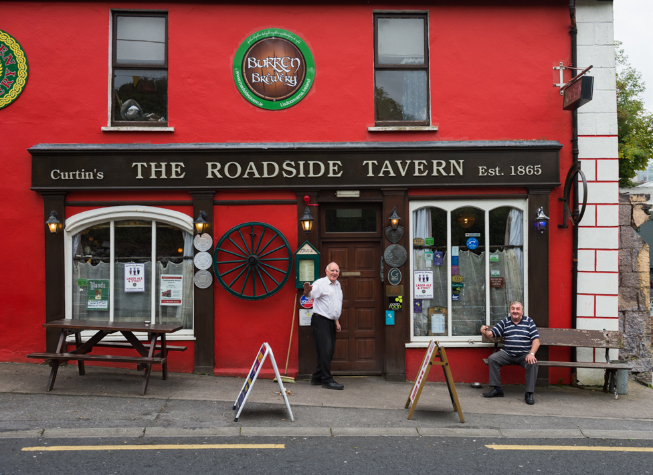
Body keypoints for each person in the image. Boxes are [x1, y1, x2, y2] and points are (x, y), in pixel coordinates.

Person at [480, 301, 540, 405]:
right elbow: (490, 335)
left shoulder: (529, 321)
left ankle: (529, 393)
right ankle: (497, 389)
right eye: (513, 309)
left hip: (524, 355)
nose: (515, 311)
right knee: (492, 358)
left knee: (533, 363)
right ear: (510, 310)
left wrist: (531, 353)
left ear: (522, 311)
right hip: (507, 354)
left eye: (518, 309)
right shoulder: (505, 322)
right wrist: (484, 332)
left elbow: (536, 341)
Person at [303, 262, 344, 390]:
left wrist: (336, 322)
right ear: (326, 271)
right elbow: (309, 295)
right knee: (325, 350)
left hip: (331, 321)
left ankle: (317, 377)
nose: (334, 273)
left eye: (337, 271)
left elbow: (335, 305)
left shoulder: (338, 285)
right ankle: (327, 380)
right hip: (320, 320)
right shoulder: (320, 283)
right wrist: (306, 290)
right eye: (332, 270)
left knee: (329, 351)